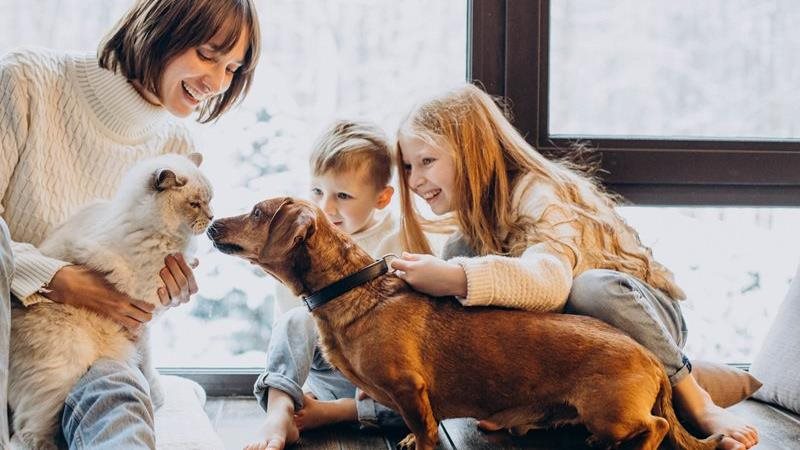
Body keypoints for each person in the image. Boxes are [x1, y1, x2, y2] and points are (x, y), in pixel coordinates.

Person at [388, 84, 759, 450]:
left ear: (472, 151)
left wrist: (454, 277)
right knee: (467, 277)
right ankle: (535, 411)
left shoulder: (538, 193)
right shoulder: (467, 237)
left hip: (643, 317)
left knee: (589, 288)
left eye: (427, 161)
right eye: (407, 166)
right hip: (584, 362)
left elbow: (552, 283)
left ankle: (696, 399)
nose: (415, 180)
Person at [0, 0, 260, 447]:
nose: (218, 83)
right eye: (207, 54)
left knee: (116, 395)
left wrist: (163, 292)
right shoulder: (27, 82)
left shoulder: (176, 146)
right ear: (160, 28)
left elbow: (127, 301)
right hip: (18, 335)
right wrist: (55, 278)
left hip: (98, 353)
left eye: (233, 69)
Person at [244, 120, 407, 450]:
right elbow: (295, 323)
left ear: (382, 198)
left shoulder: (399, 239)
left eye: (343, 195)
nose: (326, 207)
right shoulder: (303, 238)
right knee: (295, 321)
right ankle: (280, 409)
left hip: (380, 379)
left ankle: (338, 412)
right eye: (317, 192)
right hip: (328, 371)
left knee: (428, 403)